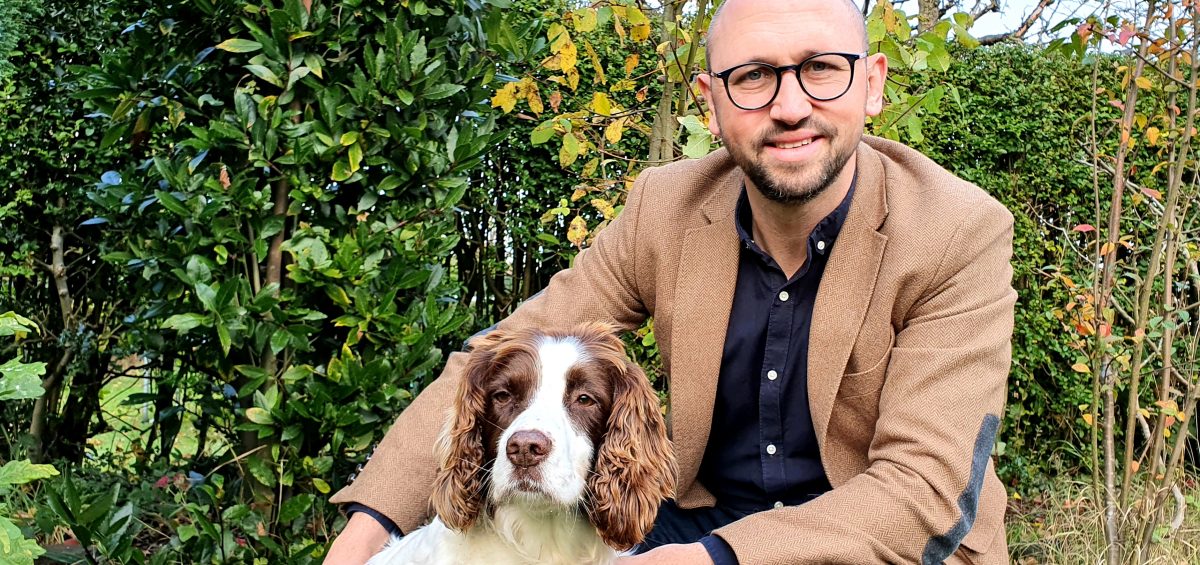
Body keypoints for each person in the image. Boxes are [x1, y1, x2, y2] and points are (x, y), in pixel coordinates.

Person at [325, 0, 1015, 563]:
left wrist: (715, 559)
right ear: (710, 102)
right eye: (754, 77)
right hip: (695, 527)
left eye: (821, 69)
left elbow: (923, 486)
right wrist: (365, 534)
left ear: (873, 83)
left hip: (879, 546)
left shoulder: (958, 231)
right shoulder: (665, 206)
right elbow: (499, 352)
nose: (790, 105)